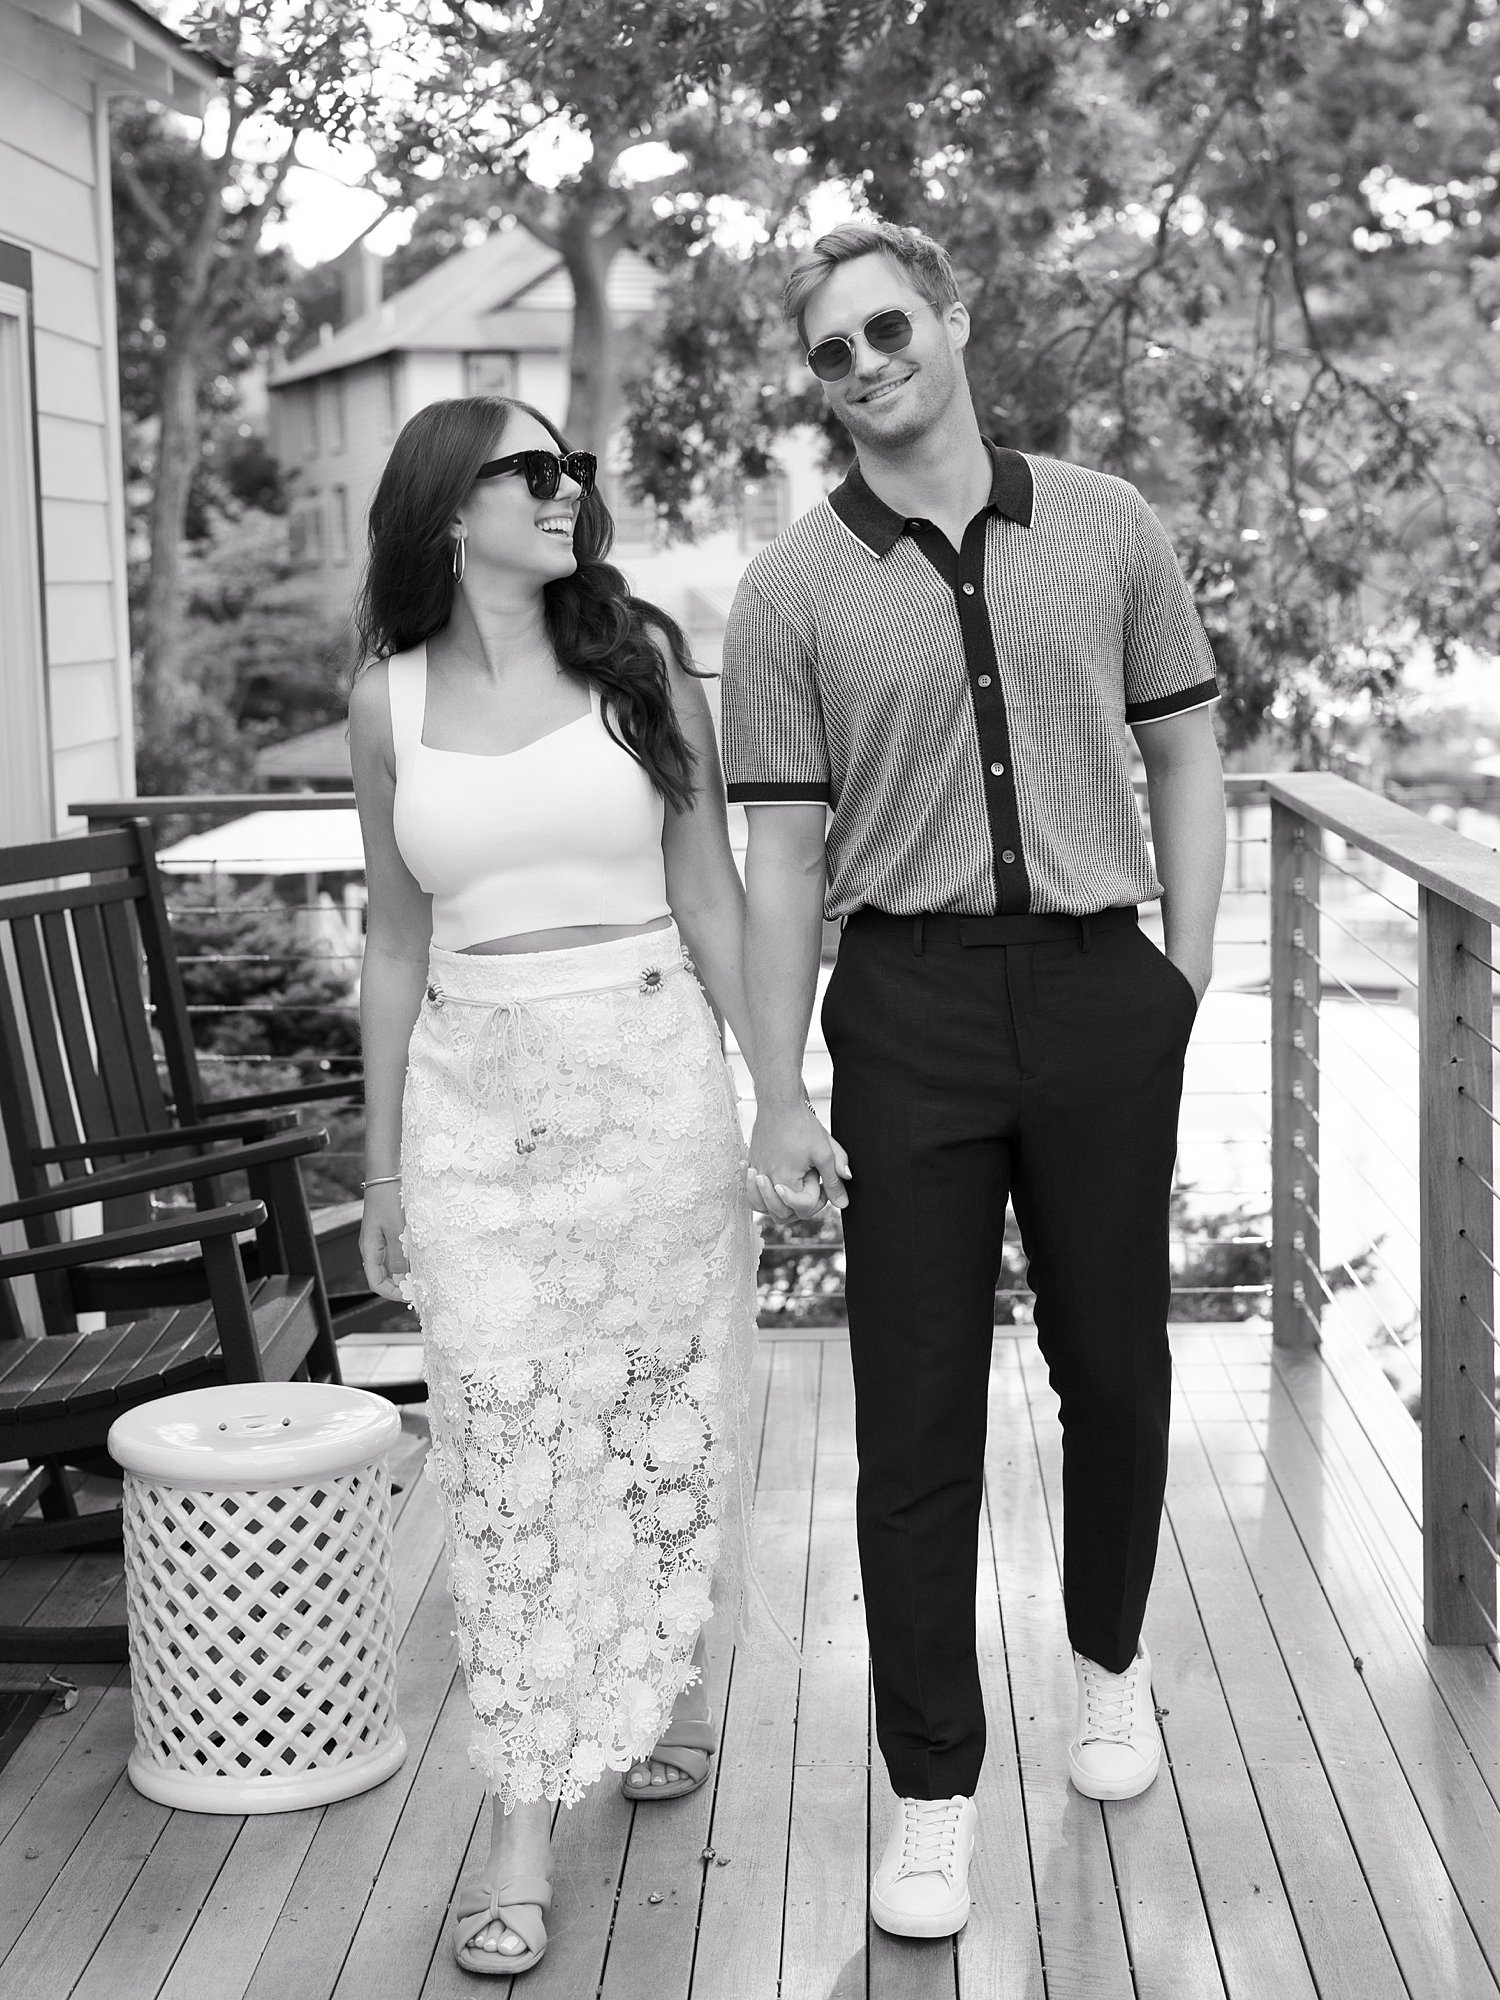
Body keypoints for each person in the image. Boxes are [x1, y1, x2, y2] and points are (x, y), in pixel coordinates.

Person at [723, 219, 1226, 1941]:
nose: (866, 366)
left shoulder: (1108, 524)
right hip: (910, 1011)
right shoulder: (790, 590)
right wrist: (778, 1088)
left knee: (1118, 1370)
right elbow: (782, 859)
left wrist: (1186, 972)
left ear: (953, 319)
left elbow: (1187, 750)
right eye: (831, 353)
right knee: (915, 1416)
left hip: (1100, 993)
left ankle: (1107, 1663)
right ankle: (930, 1787)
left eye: (888, 330)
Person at [349, 395, 762, 1979]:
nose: (568, 487)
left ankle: (660, 1680)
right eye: (535, 469)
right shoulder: (384, 702)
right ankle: (523, 1814)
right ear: (450, 510)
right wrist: (379, 1159)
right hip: (473, 1106)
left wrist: (778, 1092)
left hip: (649, 1079)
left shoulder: (640, 663)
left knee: (655, 1413)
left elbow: (707, 884)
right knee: (506, 1444)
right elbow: (392, 940)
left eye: (575, 464)